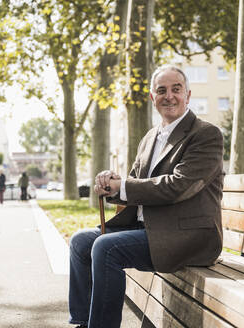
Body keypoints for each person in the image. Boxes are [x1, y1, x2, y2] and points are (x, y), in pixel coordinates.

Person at [69, 65, 224, 328]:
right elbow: (133, 185)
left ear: (188, 95)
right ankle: (82, 323)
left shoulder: (205, 134)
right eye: (161, 90)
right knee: (80, 241)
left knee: (106, 248)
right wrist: (111, 185)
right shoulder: (150, 137)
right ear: (153, 98)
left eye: (176, 89)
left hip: (188, 236)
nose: (169, 96)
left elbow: (179, 185)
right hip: (148, 229)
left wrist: (124, 187)